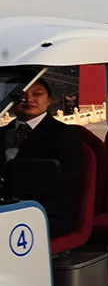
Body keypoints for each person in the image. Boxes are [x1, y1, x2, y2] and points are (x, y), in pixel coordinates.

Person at [1, 78, 84, 238]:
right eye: (20, 94)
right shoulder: (2, 133)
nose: (28, 99)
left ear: (49, 100)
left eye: (37, 94)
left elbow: (67, 182)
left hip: (43, 212)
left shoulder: (64, 135)